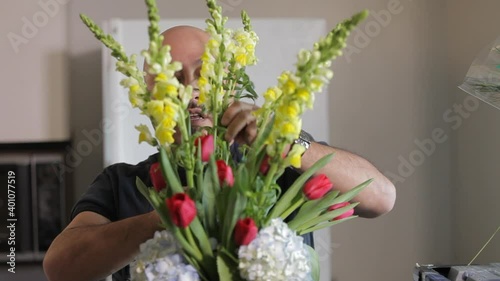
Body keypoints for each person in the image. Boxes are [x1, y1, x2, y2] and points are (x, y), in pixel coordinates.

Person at [43, 26, 396, 281]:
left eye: (204, 73)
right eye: (172, 79)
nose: (191, 89)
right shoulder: (122, 182)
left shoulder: (275, 164)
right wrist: (170, 220)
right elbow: (60, 267)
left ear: (230, 82)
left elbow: (381, 197)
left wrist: (283, 141)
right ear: (149, 102)